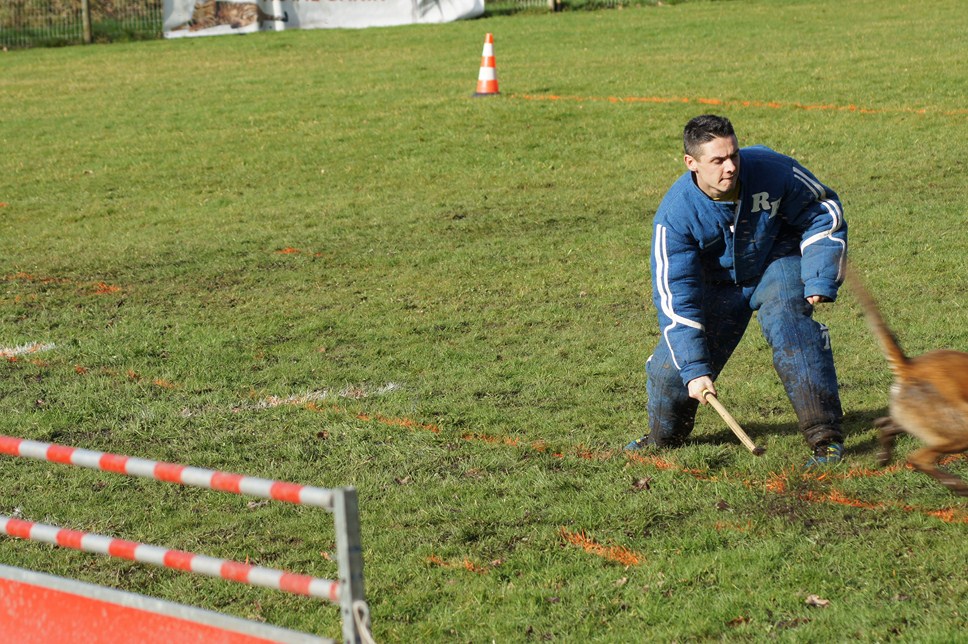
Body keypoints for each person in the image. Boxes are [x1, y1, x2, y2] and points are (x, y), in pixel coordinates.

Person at [625, 114, 847, 467]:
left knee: (792, 328)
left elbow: (823, 211)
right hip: (717, 288)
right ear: (691, 163)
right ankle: (663, 438)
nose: (730, 167)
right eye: (717, 160)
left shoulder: (777, 171)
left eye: (734, 155)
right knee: (672, 374)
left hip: (776, 262)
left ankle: (826, 439)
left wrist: (819, 275)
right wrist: (695, 369)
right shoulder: (674, 216)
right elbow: (674, 295)